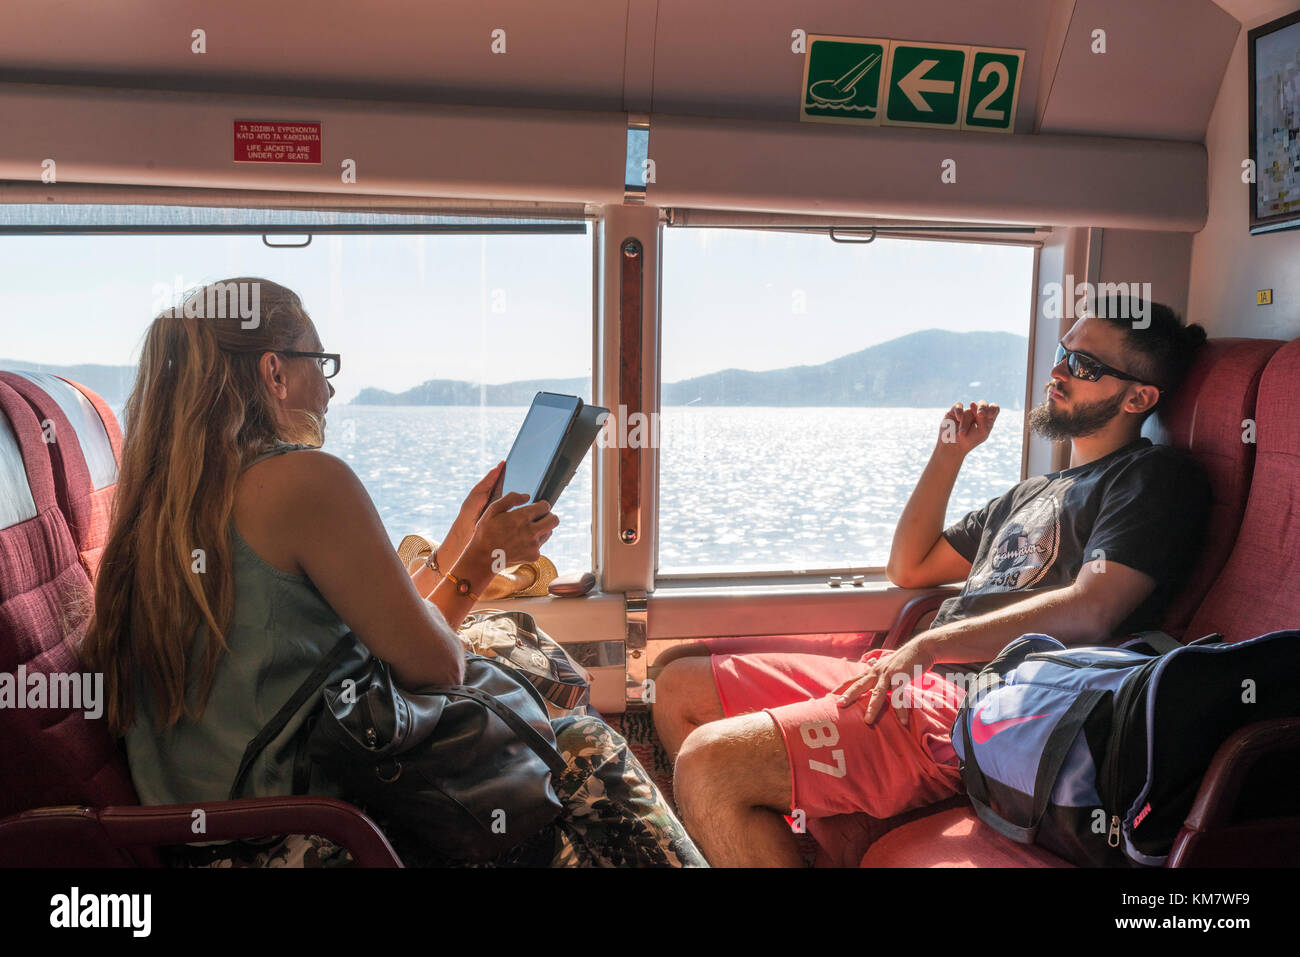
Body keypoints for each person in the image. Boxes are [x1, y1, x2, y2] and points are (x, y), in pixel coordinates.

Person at [78, 277, 704, 868]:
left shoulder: (158, 499)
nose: (328, 390)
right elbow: (436, 664)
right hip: (302, 832)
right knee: (584, 753)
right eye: (320, 365)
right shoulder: (301, 479)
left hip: (202, 837)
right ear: (274, 372)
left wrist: (466, 539)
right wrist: (485, 559)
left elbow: (381, 628)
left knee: (532, 677)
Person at [653, 298, 1211, 867]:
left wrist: (933, 643)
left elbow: (1093, 609)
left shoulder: (1151, 479)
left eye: (1086, 365)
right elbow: (910, 567)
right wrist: (949, 455)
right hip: (917, 673)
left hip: (983, 704)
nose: (1059, 371)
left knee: (709, 765)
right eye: (1064, 353)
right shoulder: (1030, 494)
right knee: (677, 685)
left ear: (1138, 397)